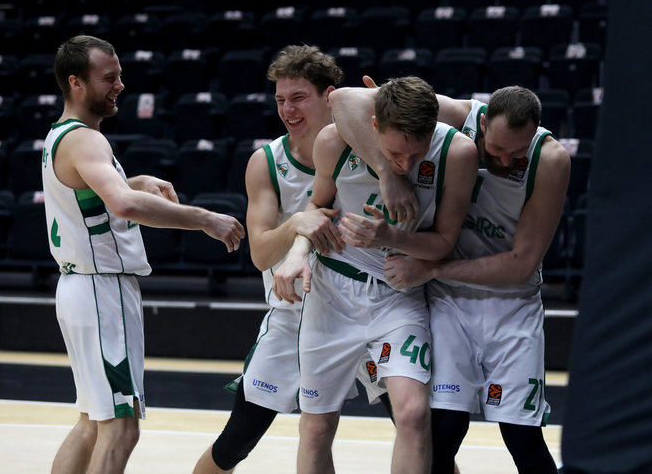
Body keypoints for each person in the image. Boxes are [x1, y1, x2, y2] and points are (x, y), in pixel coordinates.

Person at [43, 35, 245, 474]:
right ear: (76, 83)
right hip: (101, 292)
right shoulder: (86, 140)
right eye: (109, 77)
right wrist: (205, 218)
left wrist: (134, 181)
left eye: (120, 75)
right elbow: (122, 206)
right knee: (121, 427)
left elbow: (94, 198)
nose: (120, 85)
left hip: (81, 288)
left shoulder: (62, 137)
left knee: (92, 423)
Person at [192, 45, 395, 474]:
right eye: (280, 99)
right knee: (236, 443)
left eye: (299, 97)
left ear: (330, 96)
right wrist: (298, 222)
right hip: (295, 317)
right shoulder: (266, 162)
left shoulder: (371, 147)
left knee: (423, 433)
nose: (288, 109)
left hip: (370, 308)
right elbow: (261, 252)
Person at [272, 76, 478, 473]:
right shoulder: (334, 142)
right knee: (315, 427)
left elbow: (444, 242)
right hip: (333, 292)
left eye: (417, 156)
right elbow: (317, 210)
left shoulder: (458, 152)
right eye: (396, 154)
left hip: (397, 294)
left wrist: (392, 236)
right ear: (373, 126)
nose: (407, 166)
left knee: (415, 414)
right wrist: (298, 252)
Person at [377, 87, 570, 474]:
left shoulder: (550, 158)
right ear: (481, 122)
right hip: (450, 303)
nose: (503, 159)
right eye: (496, 149)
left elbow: (520, 264)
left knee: (522, 436)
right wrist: (387, 173)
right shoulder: (454, 115)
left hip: (511, 303)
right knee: (443, 432)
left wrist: (432, 268)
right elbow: (348, 101)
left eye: (516, 153)